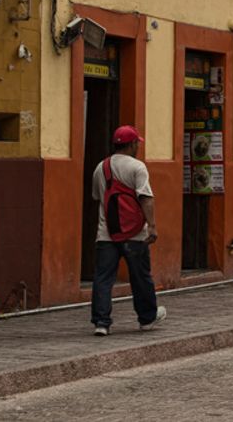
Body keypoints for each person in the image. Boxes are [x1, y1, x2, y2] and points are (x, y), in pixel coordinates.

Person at [90, 125, 164, 336]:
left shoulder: (101, 167)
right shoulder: (137, 167)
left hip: (106, 233)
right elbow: (145, 198)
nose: (137, 146)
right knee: (140, 276)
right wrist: (152, 225)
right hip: (135, 234)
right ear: (132, 144)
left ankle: (101, 323)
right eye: (137, 143)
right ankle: (147, 318)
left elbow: (97, 196)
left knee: (103, 278)